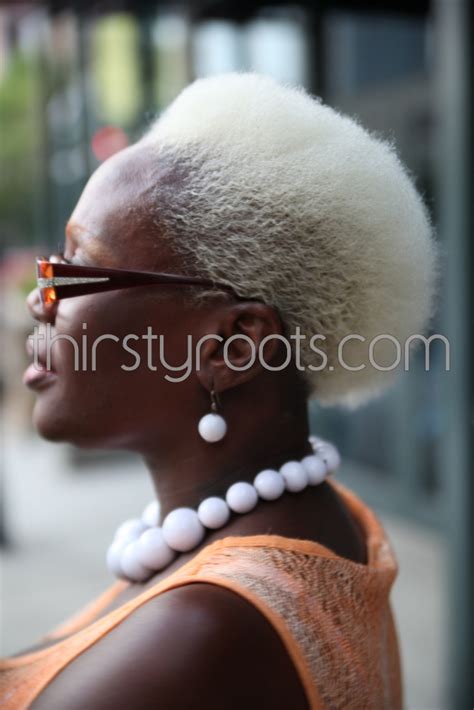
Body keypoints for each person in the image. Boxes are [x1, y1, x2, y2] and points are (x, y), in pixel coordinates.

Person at [0, 73, 438, 709]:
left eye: (79, 267)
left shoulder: (202, 633)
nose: (41, 299)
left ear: (233, 346)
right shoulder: (322, 519)